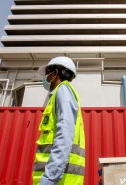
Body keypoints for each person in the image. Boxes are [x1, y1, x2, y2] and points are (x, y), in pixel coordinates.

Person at [32, 56, 85, 185]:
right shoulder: (59, 94)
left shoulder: (63, 90)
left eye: (47, 74)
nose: (45, 78)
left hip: (58, 180)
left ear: (55, 73)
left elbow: (65, 136)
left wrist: (49, 178)